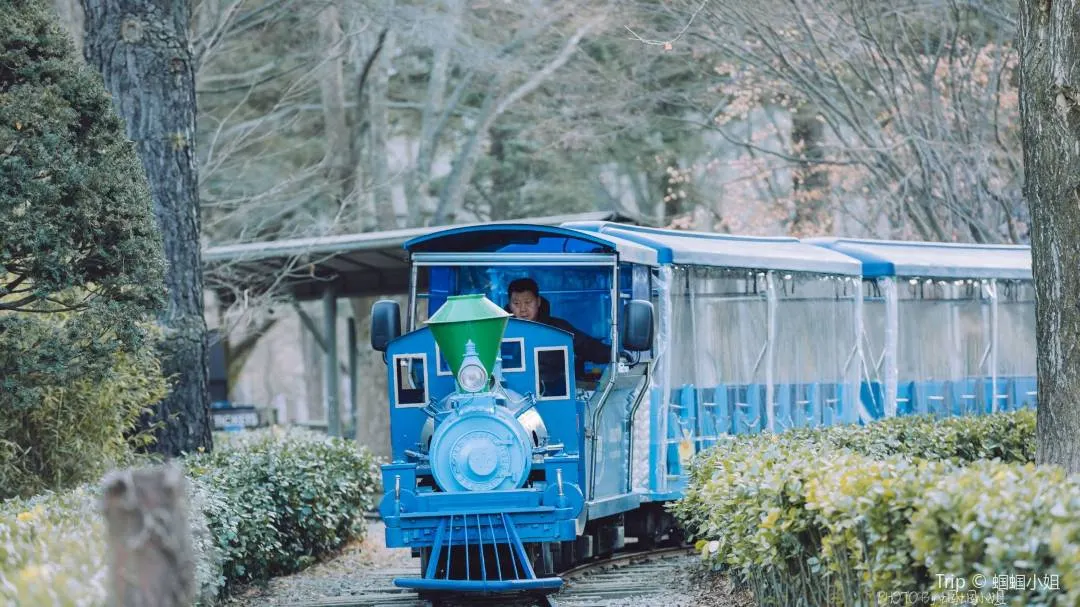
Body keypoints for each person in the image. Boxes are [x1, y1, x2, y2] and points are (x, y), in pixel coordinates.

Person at [507, 278, 612, 378]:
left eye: (528, 302)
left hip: (555, 392)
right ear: (510, 305)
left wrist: (616, 356)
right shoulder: (501, 332)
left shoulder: (558, 328)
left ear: (538, 302)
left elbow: (587, 346)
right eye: (516, 303)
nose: (523, 309)